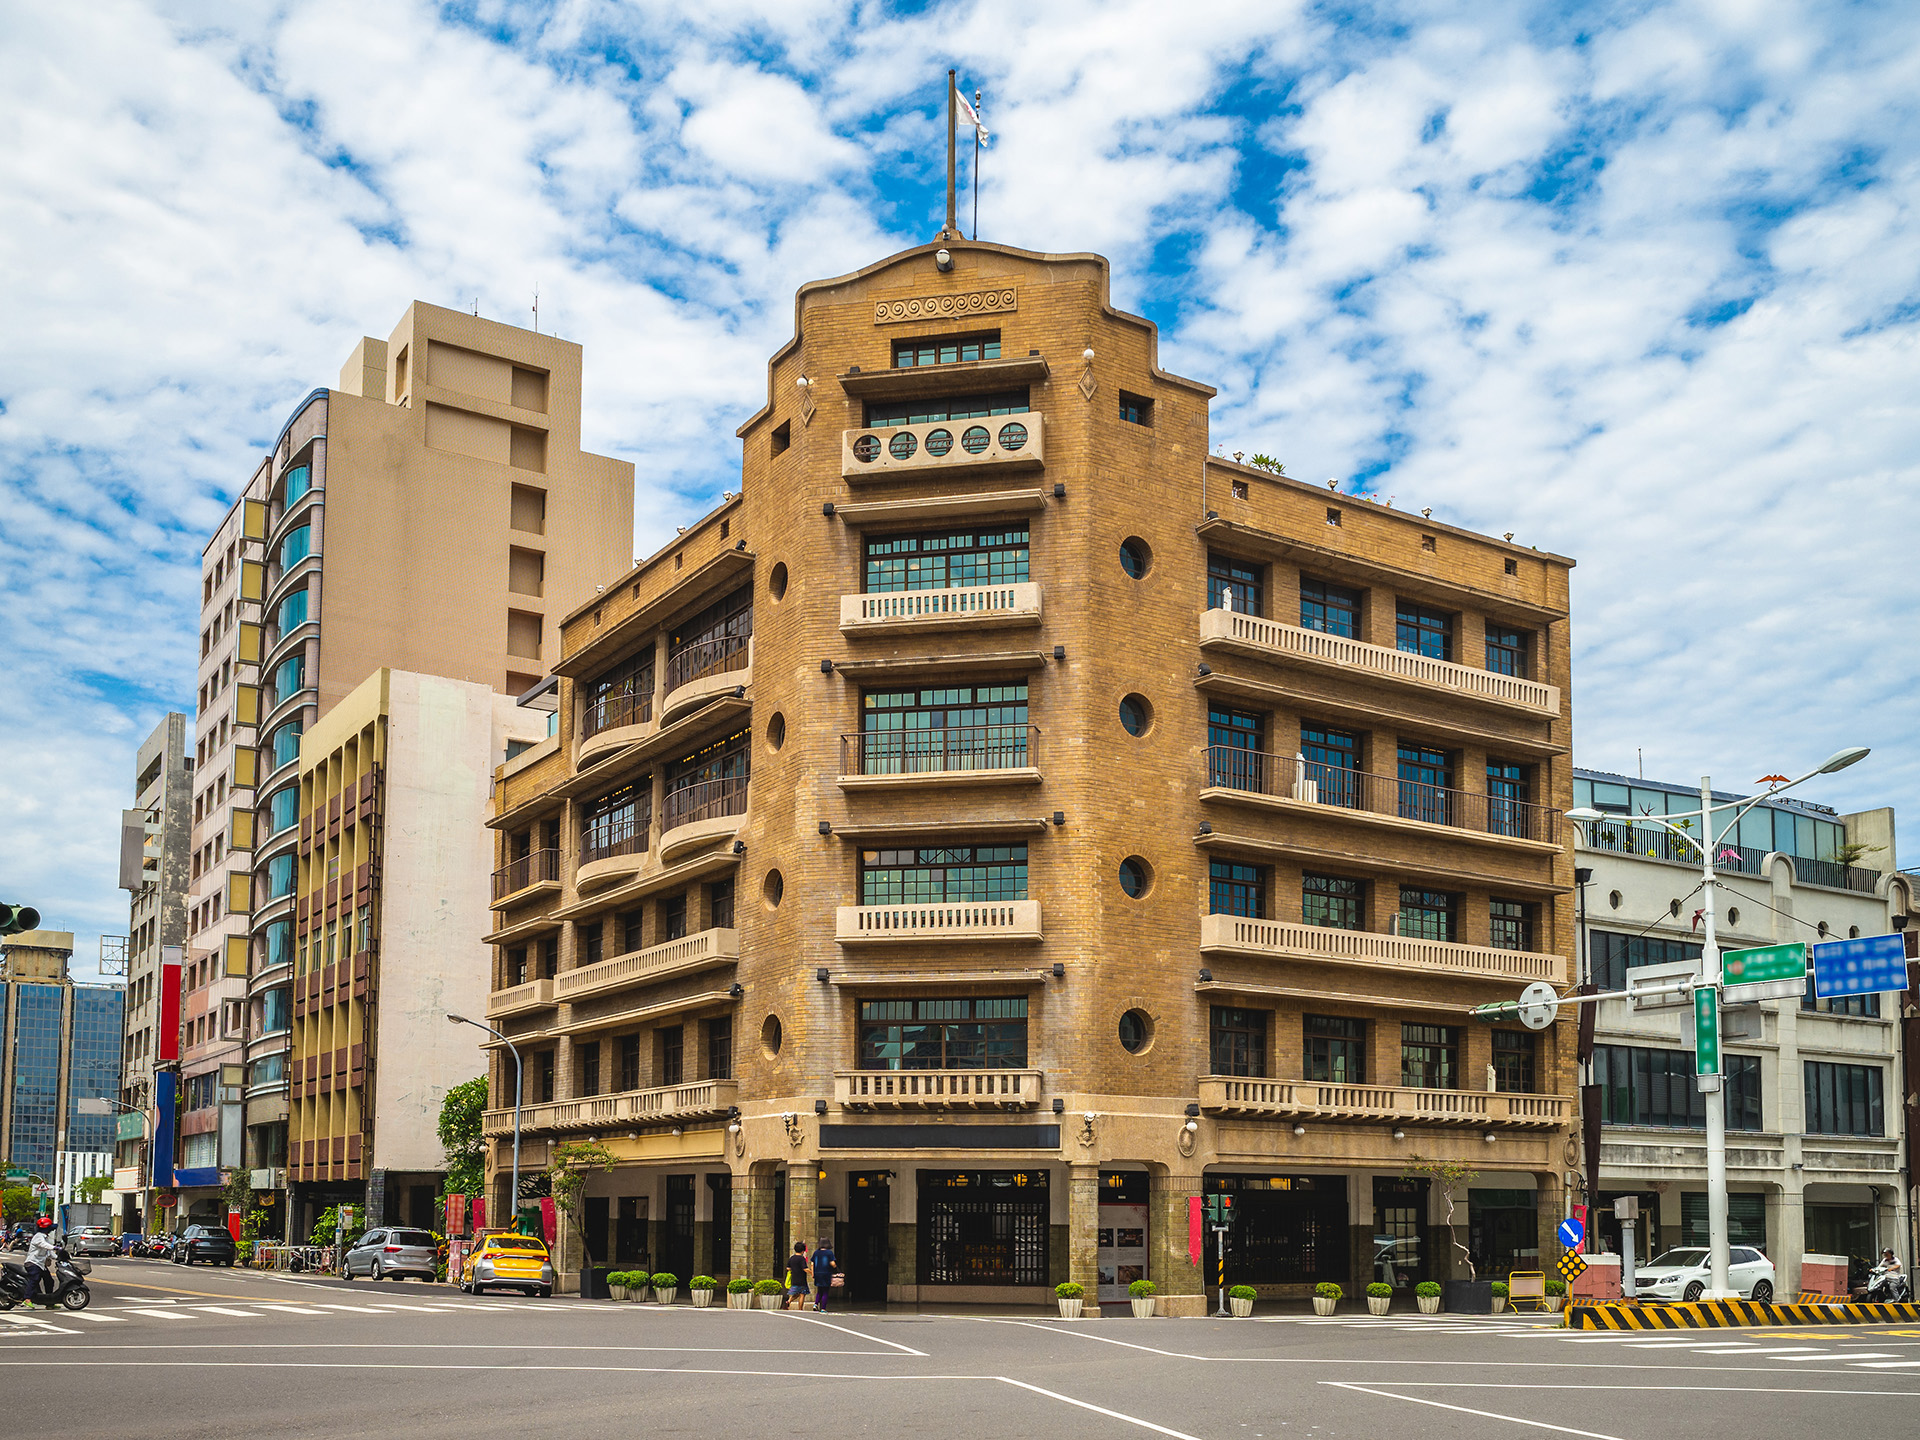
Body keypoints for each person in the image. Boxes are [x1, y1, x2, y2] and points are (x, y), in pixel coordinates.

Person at [24, 1217, 59, 1307]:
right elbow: (44, 1245)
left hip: (41, 1264)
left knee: (49, 1281)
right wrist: (54, 1247)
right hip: (33, 1263)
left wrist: (59, 1257)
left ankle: (49, 1302)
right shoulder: (38, 1236)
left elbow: (49, 1252)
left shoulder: (45, 1237)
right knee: (35, 1279)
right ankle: (27, 1299)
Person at [811, 1237, 838, 1313]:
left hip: (817, 1273)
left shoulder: (816, 1252)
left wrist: (813, 1273)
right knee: (825, 1291)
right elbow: (832, 1263)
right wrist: (835, 1267)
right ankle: (823, 1308)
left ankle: (816, 1304)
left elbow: (812, 1264)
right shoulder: (829, 1253)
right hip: (826, 1273)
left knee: (819, 1290)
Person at [784, 1240, 810, 1309]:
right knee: (802, 1294)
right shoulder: (802, 1259)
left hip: (794, 1279)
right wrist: (812, 1272)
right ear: (803, 1251)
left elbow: (788, 1268)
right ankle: (800, 1309)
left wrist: (794, 1268)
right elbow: (805, 1268)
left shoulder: (791, 1258)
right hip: (801, 1279)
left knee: (796, 1293)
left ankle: (789, 1301)